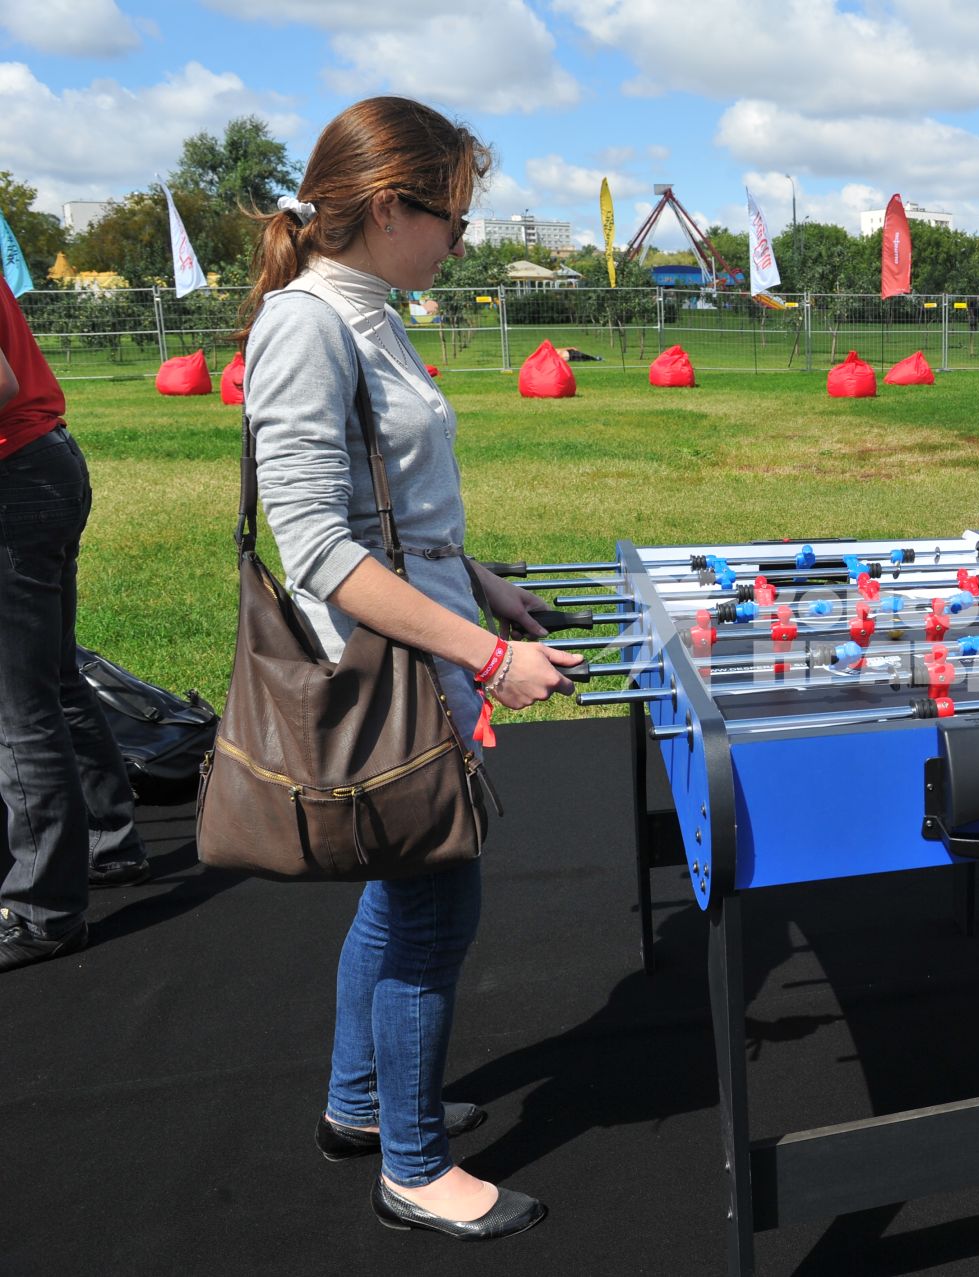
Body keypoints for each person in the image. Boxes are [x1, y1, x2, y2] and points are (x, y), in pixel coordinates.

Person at [239, 96, 581, 1240]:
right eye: (454, 219)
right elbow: (321, 547)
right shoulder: (307, 324)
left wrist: (478, 577)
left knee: (403, 892)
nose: (459, 242)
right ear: (390, 206)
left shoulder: (371, 307)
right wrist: (491, 652)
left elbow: (388, 502)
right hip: (387, 670)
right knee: (437, 898)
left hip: (430, 632)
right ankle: (416, 1164)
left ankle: (359, 1105)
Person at [0, 279, 152, 974]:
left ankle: (44, 910)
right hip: (45, 460)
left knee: (19, 707)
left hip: (13, 477)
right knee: (56, 680)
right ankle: (108, 841)